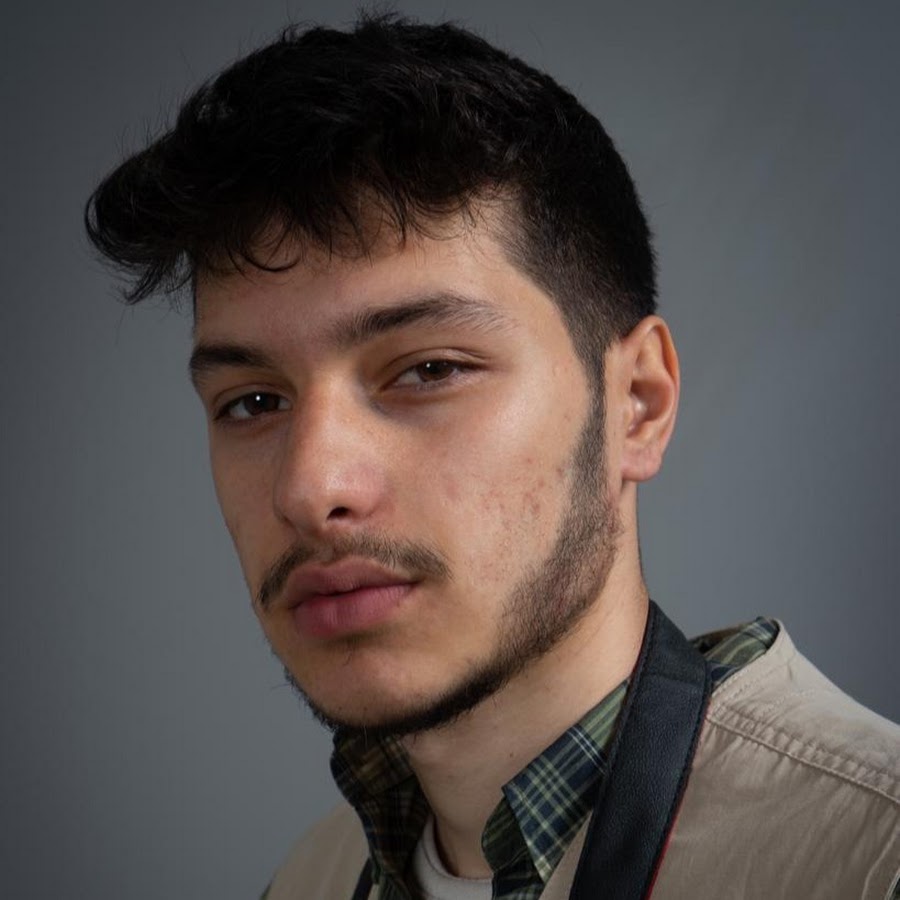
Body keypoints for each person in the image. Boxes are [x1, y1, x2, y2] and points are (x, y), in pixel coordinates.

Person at [84, 13, 899, 900]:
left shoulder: (872, 862)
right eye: (253, 402)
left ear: (637, 404)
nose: (311, 487)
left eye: (429, 370)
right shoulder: (311, 880)